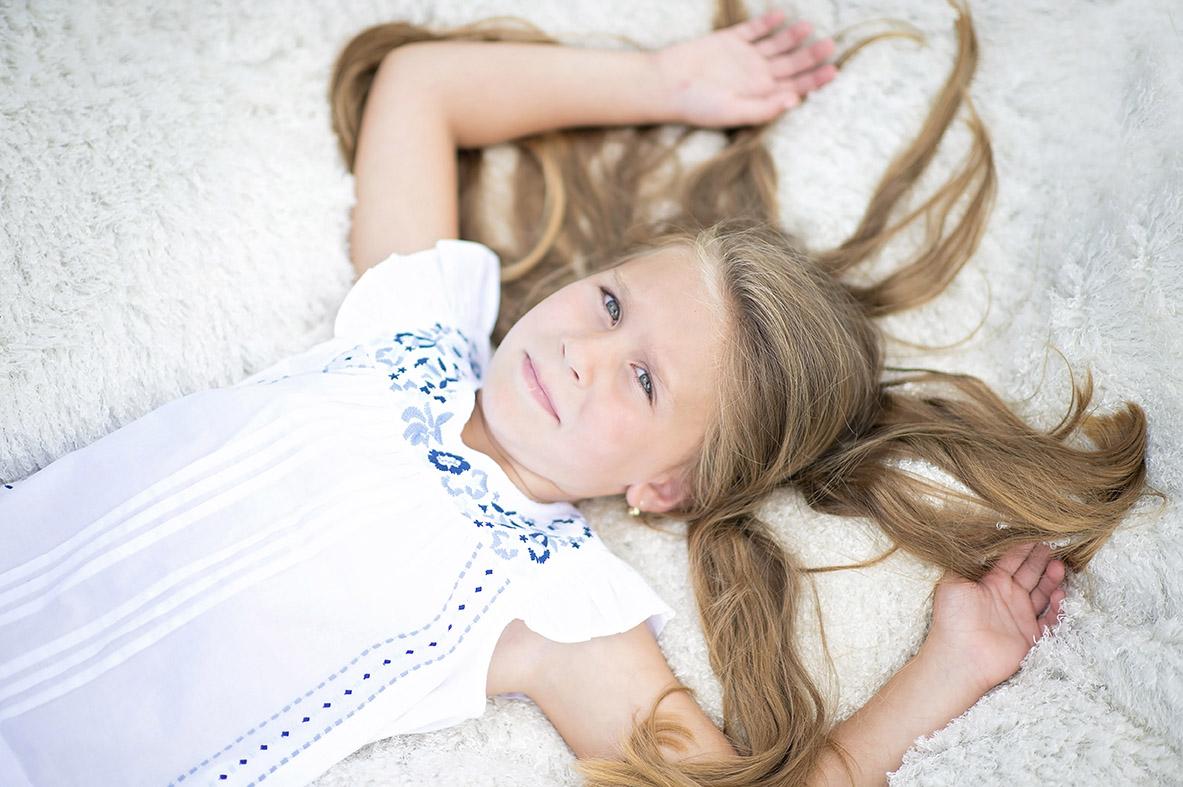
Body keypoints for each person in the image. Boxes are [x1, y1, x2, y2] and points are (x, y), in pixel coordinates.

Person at [0, 2, 1150, 786]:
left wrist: (949, 668)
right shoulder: (411, 331)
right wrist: (664, 81)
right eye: (608, 303)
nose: (581, 352)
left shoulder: (557, 609)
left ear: (666, 486)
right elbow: (418, 87)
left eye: (642, 380)